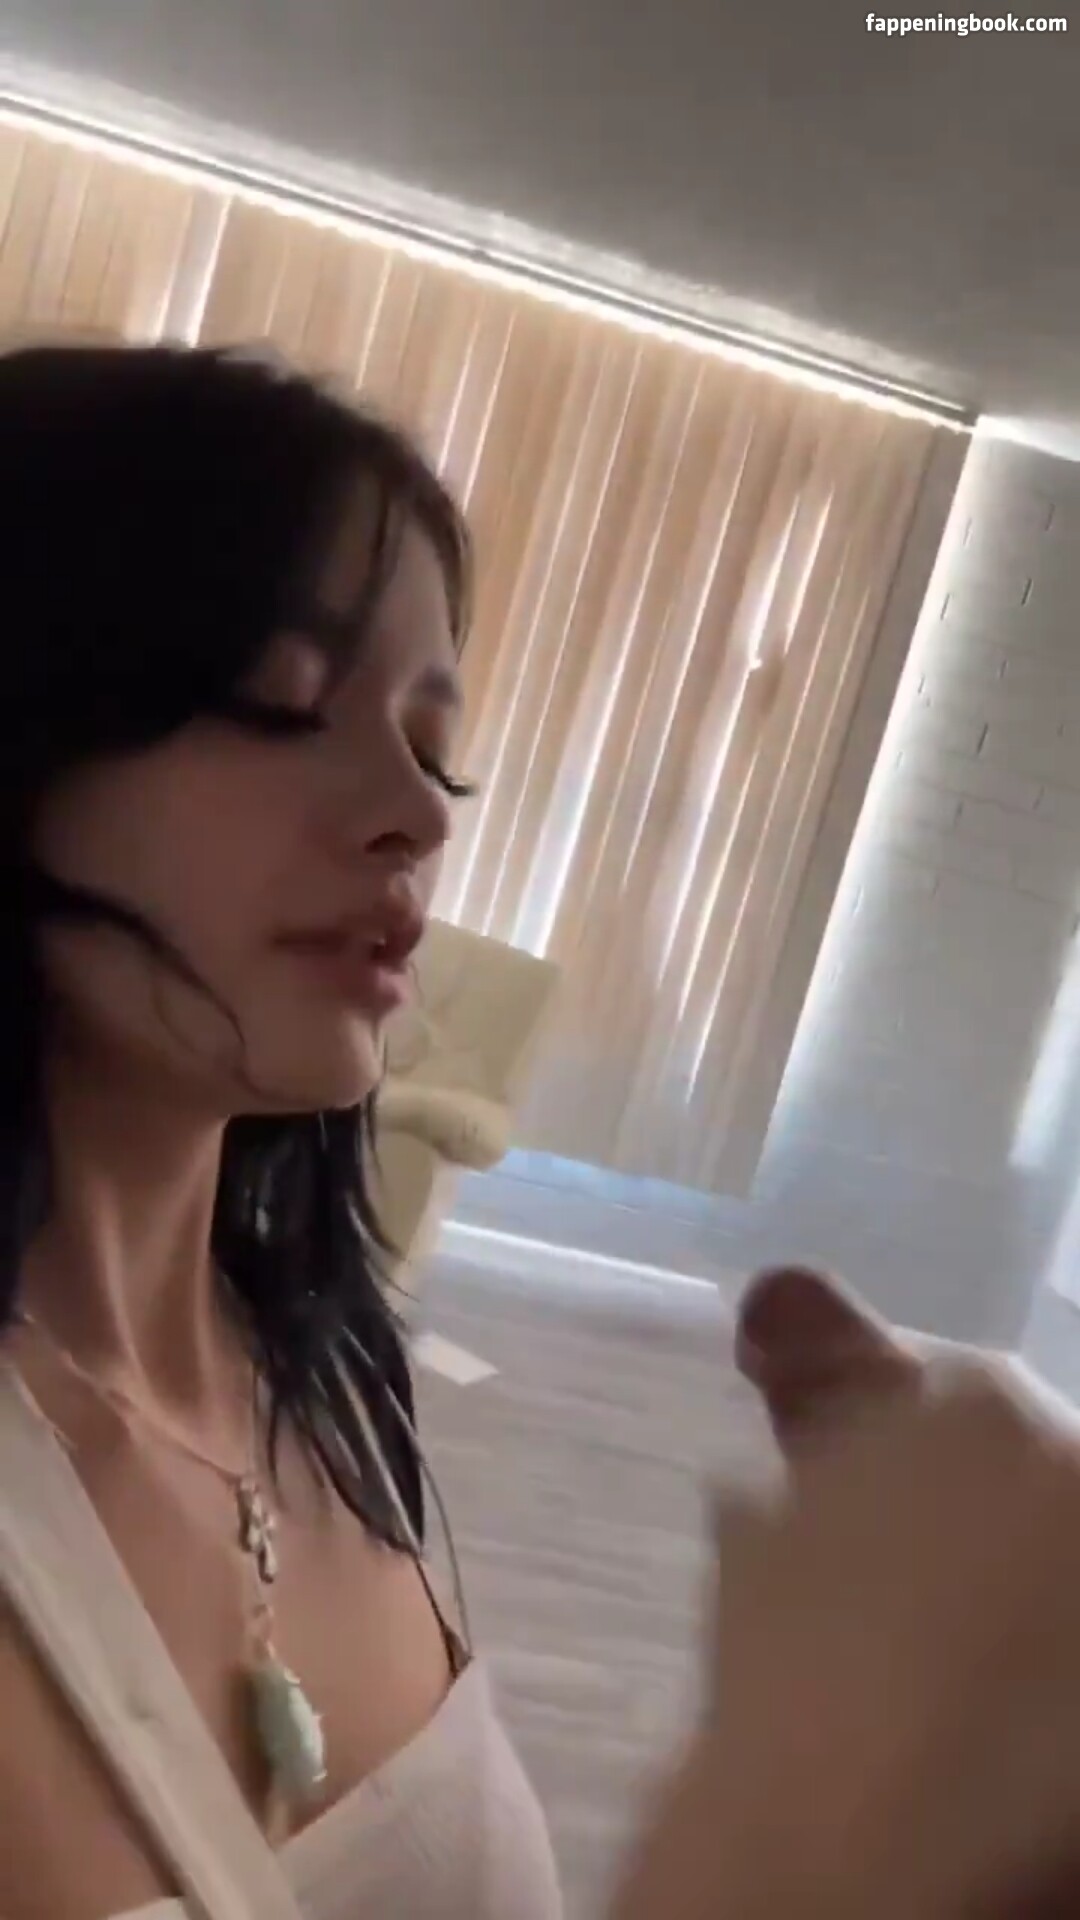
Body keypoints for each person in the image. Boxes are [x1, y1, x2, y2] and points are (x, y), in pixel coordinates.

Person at [5, 341, 1080, 1920]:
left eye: (433, 743)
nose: (419, 812)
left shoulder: (319, 1386)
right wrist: (820, 1842)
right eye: (285, 706)